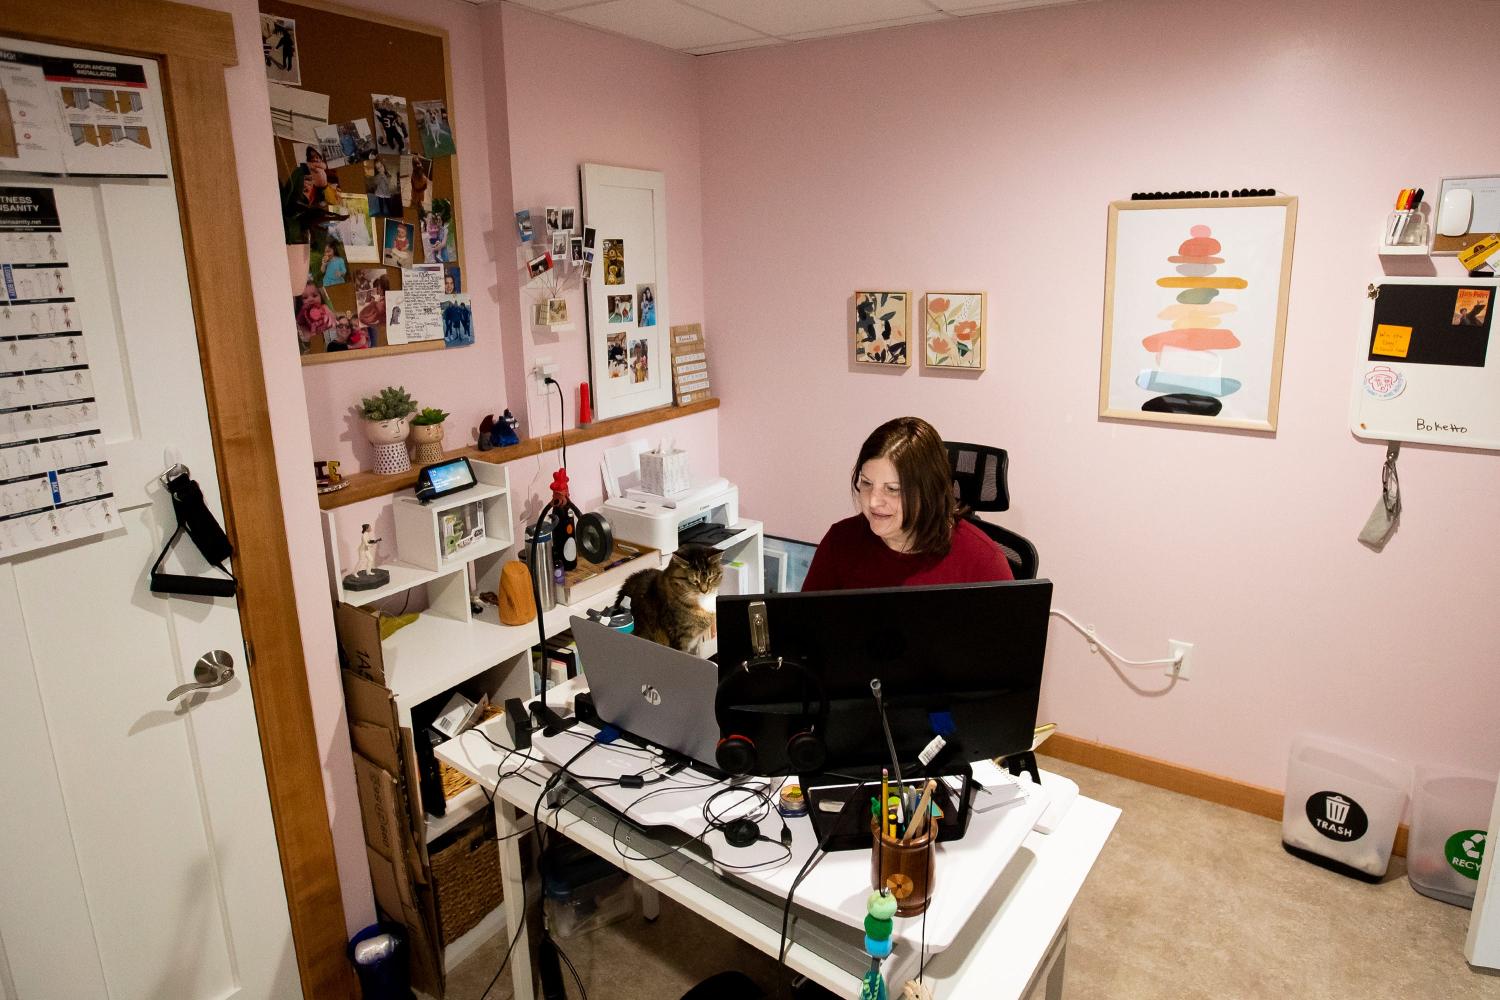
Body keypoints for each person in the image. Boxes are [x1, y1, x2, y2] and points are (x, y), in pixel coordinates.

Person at [801, 416, 1013, 591]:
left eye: (892, 489)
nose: (873, 501)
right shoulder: (840, 542)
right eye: (866, 483)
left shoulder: (983, 562)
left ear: (928, 491)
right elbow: (803, 630)